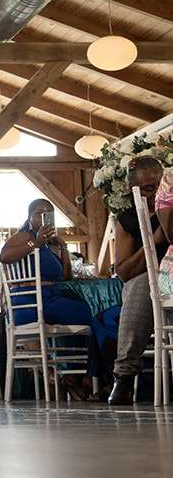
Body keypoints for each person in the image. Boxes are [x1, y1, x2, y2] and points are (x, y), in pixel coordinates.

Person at [0, 197, 95, 397]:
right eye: (38, 214)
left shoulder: (50, 245)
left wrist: (64, 248)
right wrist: (35, 242)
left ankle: (74, 376)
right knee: (90, 314)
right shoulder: (25, 236)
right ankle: (79, 377)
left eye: (48, 214)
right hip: (29, 302)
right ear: (29, 217)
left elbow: (66, 277)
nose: (43, 218)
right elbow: (4, 256)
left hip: (52, 298)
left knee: (89, 314)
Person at [108, 157, 169, 405]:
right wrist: (152, 242)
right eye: (148, 188)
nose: (156, 192)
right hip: (153, 282)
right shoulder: (127, 220)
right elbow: (123, 272)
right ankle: (124, 375)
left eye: (159, 185)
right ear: (133, 190)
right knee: (141, 285)